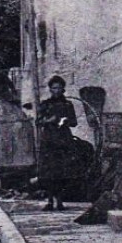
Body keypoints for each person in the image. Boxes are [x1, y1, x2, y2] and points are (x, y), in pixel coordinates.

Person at [37, 75, 78, 211]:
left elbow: (74, 122)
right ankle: (49, 201)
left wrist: (66, 121)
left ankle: (60, 201)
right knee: (48, 172)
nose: (57, 90)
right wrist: (49, 120)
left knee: (62, 171)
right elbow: (38, 122)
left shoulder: (67, 105)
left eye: (59, 88)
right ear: (50, 89)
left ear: (63, 89)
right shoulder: (45, 104)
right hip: (48, 141)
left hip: (63, 141)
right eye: (54, 88)